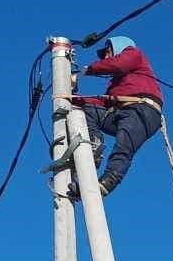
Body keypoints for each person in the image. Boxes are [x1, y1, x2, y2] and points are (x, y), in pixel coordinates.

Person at [68, 36, 164, 199]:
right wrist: (73, 97)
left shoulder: (134, 54)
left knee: (123, 145)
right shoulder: (117, 85)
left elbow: (118, 63)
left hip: (142, 110)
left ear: (118, 48)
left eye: (107, 52)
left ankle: (107, 182)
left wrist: (86, 70)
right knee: (86, 111)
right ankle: (94, 142)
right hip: (120, 112)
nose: (106, 58)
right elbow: (100, 103)